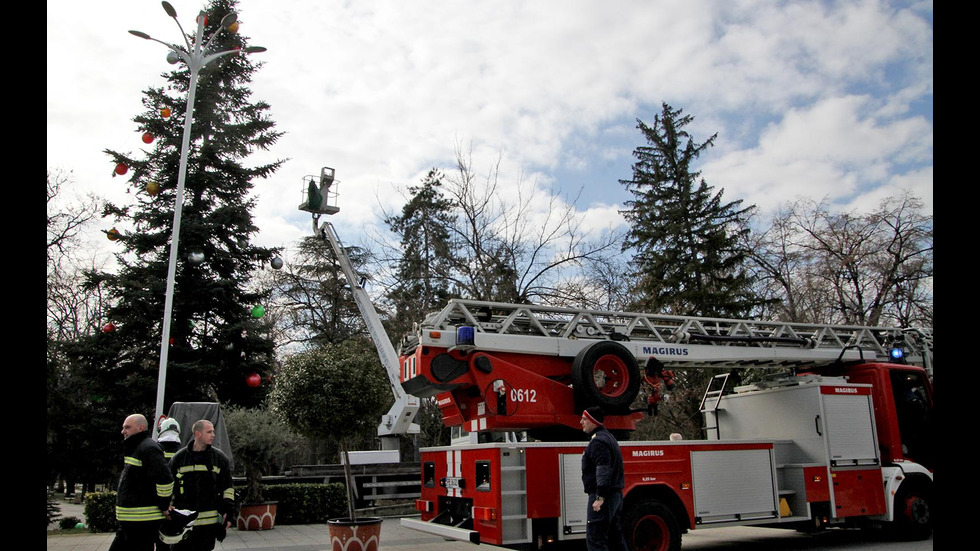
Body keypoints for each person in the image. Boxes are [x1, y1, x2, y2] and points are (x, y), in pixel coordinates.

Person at [109, 413, 174, 551]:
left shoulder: (148, 448)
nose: (123, 431)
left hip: (142, 522)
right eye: (123, 427)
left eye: (127, 427)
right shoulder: (137, 447)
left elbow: (165, 480)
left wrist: (163, 505)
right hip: (131, 522)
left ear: (141, 427)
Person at [168, 419, 235, 551]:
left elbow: (228, 487)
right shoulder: (179, 458)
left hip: (208, 526)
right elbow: (169, 486)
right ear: (197, 434)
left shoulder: (219, 458)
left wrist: (229, 512)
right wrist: (167, 507)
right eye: (209, 432)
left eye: (213, 432)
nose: (213, 435)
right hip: (183, 522)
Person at [580, 406, 628, 551]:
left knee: (596, 541)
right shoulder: (609, 437)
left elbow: (603, 470)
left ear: (593, 421)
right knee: (616, 539)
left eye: (584, 419)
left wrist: (600, 498)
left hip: (604, 497)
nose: (581, 422)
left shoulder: (598, 442)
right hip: (614, 496)